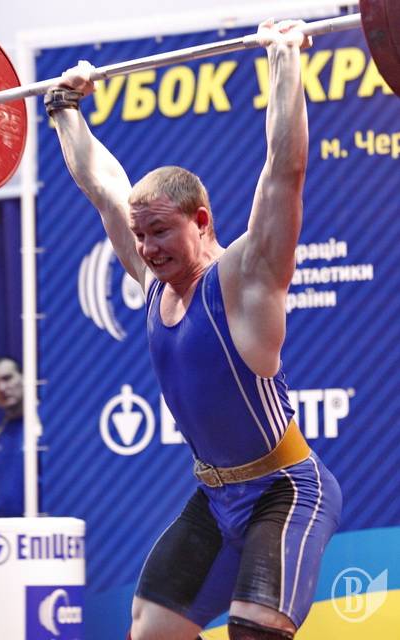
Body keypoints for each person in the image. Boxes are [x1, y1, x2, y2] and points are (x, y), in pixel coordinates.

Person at [45, 18, 342, 640]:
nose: (146, 248)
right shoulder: (153, 281)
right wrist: (65, 109)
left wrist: (284, 58)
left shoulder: (244, 279)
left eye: (160, 232)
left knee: (253, 632)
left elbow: (283, 171)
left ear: (201, 221)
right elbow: (103, 187)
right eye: (141, 235)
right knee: (150, 631)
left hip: (285, 491)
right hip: (214, 498)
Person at [0, 356, 25, 516]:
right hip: (5, 528)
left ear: (24, 378)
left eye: (7, 378)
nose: (1, 388)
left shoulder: (44, 429)